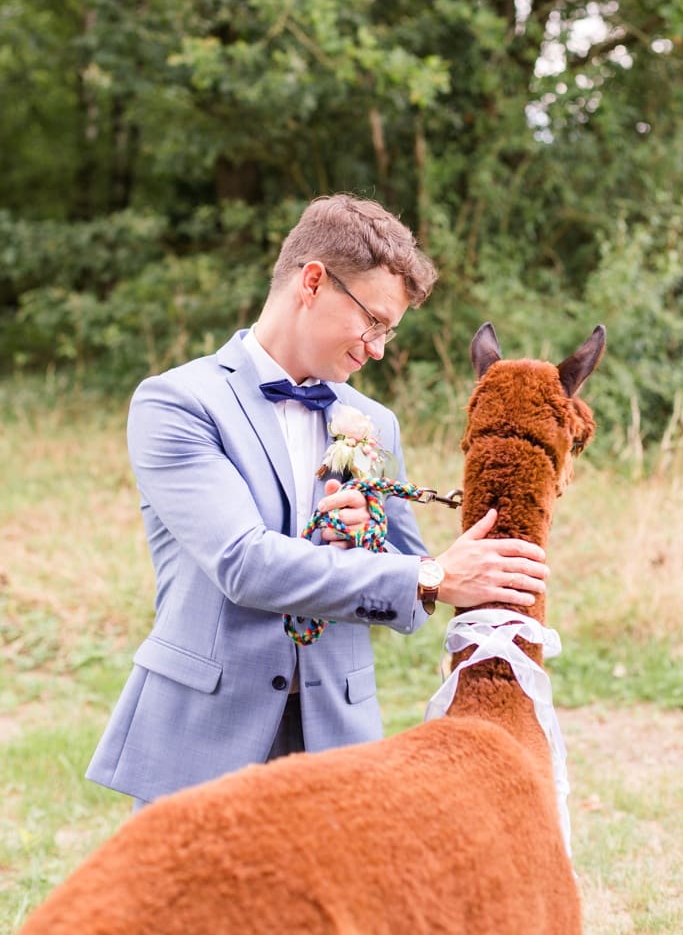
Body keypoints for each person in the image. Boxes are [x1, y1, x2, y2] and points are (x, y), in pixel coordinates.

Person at [87, 194, 550, 807]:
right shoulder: (179, 403)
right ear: (313, 282)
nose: (379, 348)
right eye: (375, 322)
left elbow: (412, 604)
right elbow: (243, 565)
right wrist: (429, 574)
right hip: (206, 734)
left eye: (390, 331)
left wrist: (386, 551)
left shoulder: (373, 423)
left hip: (337, 736)